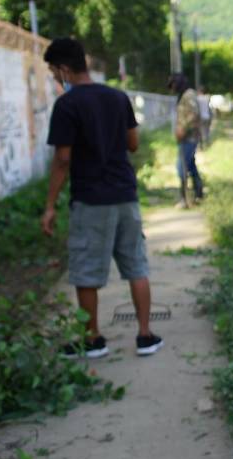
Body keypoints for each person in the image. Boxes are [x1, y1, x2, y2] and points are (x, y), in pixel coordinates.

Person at [40, 37, 163, 359]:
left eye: (54, 71)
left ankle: (93, 339)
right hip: (125, 195)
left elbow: (63, 160)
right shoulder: (117, 97)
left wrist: (50, 205)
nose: (55, 76)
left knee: (86, 272)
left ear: (65, 68)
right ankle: (146, 335)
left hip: (91, 199)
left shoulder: (66, 105)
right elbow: (133, 143)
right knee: (136, 265)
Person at [171, 73, 204, 208]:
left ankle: (185, 199)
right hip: (187, 138)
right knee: (191, 166)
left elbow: (193, 115)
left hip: (189, 138)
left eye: (173, 84)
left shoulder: (188, 95)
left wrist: (182, 130)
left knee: (181, 168)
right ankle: (198, 195)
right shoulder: (185, 95)